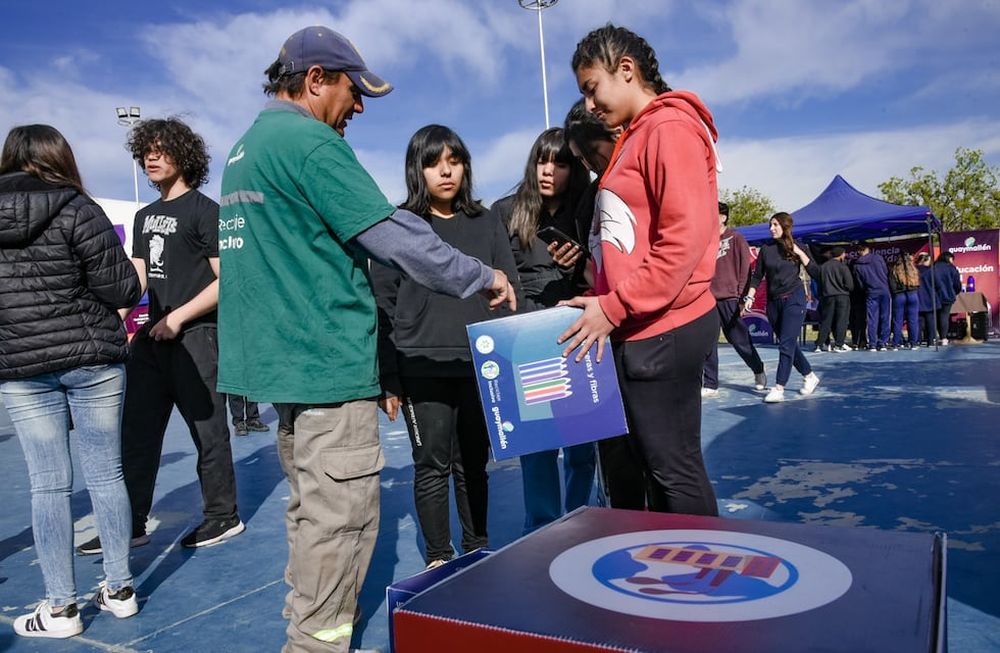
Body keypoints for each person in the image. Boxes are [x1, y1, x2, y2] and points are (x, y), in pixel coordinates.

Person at [215, 26, 515, 653]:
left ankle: (306, 631)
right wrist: (481, 275)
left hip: (286, 372)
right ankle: (317, 645)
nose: (358, 108)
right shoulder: (311, 145)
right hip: (329, 368)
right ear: (316, 79)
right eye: (355, 92)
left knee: (308, 518)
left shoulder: (246, 148)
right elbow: (397, 240)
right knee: (340, 524)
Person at [561, 24, 719, 516]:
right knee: (655, 467)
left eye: (592, 89)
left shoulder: (668, 129)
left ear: (625, 70)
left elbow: (683, 240)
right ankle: (674, 569)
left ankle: (705, 580)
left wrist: (615, 306)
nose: (589, 105)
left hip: (665, 329)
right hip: (642, 326)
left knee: (674, 468)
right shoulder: (640, 135)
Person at [77, 117, 244, 556]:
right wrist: (119, 317)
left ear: (183, 156)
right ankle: (129, 524)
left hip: (197, 338)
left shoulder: (206, 212)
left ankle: (222, 516)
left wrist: (179, 318)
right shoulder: (144, 215)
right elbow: (139, 274)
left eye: (160, 149)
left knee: (208, 433)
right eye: (145, 150)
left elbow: (226, 280)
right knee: (137, 433)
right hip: (151, 343)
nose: (150, 157)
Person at [0, 125, 141, 639]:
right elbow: (122, 285)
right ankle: (120, 589)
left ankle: (61, 607)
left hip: (21, 364)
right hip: (93, 358)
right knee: (106, 475)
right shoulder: (78, 208)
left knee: (47, 484)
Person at [373, 125, 519, 567]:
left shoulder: (487, 221)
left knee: (474, 465)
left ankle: (477, 546)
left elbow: (509, 291)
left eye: (453, 161)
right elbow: (382, 303)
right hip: (421, 366)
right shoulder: (400, 226)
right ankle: (439, 555)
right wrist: (389, 378)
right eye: (434, 163)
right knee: (432, 466)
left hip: (479, 367)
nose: (445, 171)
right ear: (417, 170)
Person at [490, 127, 597, 534]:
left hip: (579, 332)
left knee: (582, 445)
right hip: (528, 336)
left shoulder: (587, 209)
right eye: (542, 159)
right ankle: (542, 530)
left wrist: (575, 267)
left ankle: (581, 520)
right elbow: (500, 280)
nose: (549, 170)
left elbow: (599, 278)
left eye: (561, 162)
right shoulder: (505, 211)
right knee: (537, 447)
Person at [563, 99, 650, 511]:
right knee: (616, 454)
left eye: (589, 155)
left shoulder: (638, 174)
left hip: (647, 331)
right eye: (581, 161)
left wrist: (618, 305)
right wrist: (578, 258)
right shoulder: (592, 196)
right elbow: (599, 263)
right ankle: (625, 528)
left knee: (662, 458)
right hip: (606, 338)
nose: (591, 167)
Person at [744, 212, 821, 403]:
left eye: (776, 225)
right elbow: (757, 276)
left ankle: (779, 388)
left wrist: (800, 252)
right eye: (771, 225)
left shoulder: (799, 247)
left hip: (794, 299)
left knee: (786, 344)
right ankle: (810, 376)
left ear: (786, 227)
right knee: (788, 344)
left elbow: (816, 272)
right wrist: (750, 297)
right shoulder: (766, 249)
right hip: (773, 302)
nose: (772, 228)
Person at [703, 201, 767, 397]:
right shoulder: (706, 240)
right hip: (708, 299)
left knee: (738, 340)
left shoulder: (736, 238)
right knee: (708, 342)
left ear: (723, 217)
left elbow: (745, 270)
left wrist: (741, 296)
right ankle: (710, 383)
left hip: (730, 298)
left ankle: (758, 370)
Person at [852, 242, 892, 351]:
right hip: (884, 289)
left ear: (859, 251)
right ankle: (883, 342)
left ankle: (872, 343)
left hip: (870, 292)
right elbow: (886, 271)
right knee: (885, 317)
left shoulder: (856, 265)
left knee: (871, 318)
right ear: (867, 249)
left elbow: (859, 283)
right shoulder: (878, 258)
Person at [815, 246, 854, 352]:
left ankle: (819, 344)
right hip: (842, 296)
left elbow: (820, 284)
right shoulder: (843, 267)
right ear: (841, 255)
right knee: (842, 320)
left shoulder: (823, 267)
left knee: (826, 321)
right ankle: (839, 344)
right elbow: (850, 284)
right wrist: (844, 289)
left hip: (827, 296)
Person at [889, 253, 921, 349]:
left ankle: (896, 343)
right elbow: (918, 284)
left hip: (899, 295)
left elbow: (892, 286)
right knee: (913, 320)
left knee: (898, 320)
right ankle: (913, 343)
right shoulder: (914, 270)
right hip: (913, 294)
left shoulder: (894, 271)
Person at [933, 251, 963, 345]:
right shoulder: (951, 268)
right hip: (948, 295)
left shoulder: (934, 267)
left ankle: (935, 337)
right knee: (944, 316)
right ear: (948, 258)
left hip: (935, 295)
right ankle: (944, 338)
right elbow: (957, 283)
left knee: (936, 316)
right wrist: (955, 292)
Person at [916, 252, 939, 346]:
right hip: (930, 297)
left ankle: (917, 340)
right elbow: (937, 284)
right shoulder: (931, 271)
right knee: (930, 321)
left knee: (917, 321)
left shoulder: (914, 270)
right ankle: (930, 340)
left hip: (917, 297)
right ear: (925, 260)